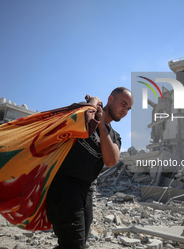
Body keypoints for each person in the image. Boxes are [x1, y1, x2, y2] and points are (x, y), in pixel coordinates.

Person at [46, 87, 134, 249]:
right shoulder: (87, 111)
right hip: (64, 186)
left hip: (86, 191)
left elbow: (111, 160)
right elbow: (72, 121)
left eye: (128, 108)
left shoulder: (114, 136)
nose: (125, 111)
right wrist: (93, 104)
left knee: (78, 243)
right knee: (74, 244)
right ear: (110, 99)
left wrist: (102, 125)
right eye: (123, 104)